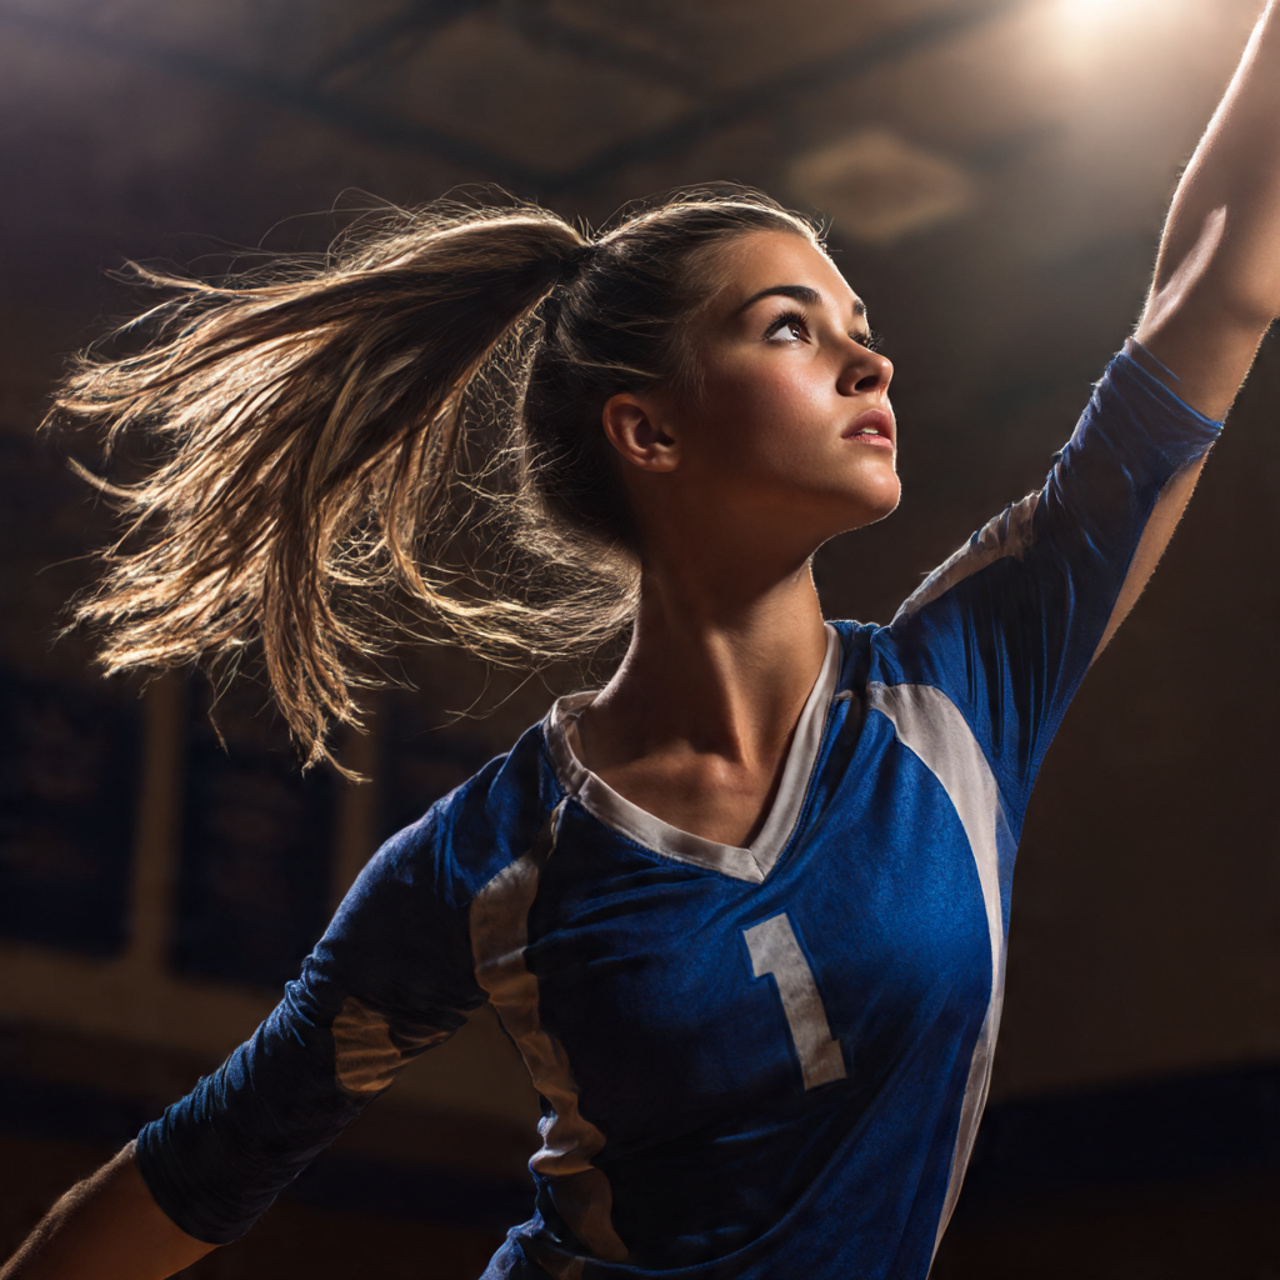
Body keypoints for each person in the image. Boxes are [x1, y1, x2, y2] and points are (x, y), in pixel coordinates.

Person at [5, 3, 1280, 1274]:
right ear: (647, 431)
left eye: (858, 323)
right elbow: (198, 1166)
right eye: (791, 326)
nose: (868, 361)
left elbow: (1216, 279)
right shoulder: (487, 862)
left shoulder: (967, 684)